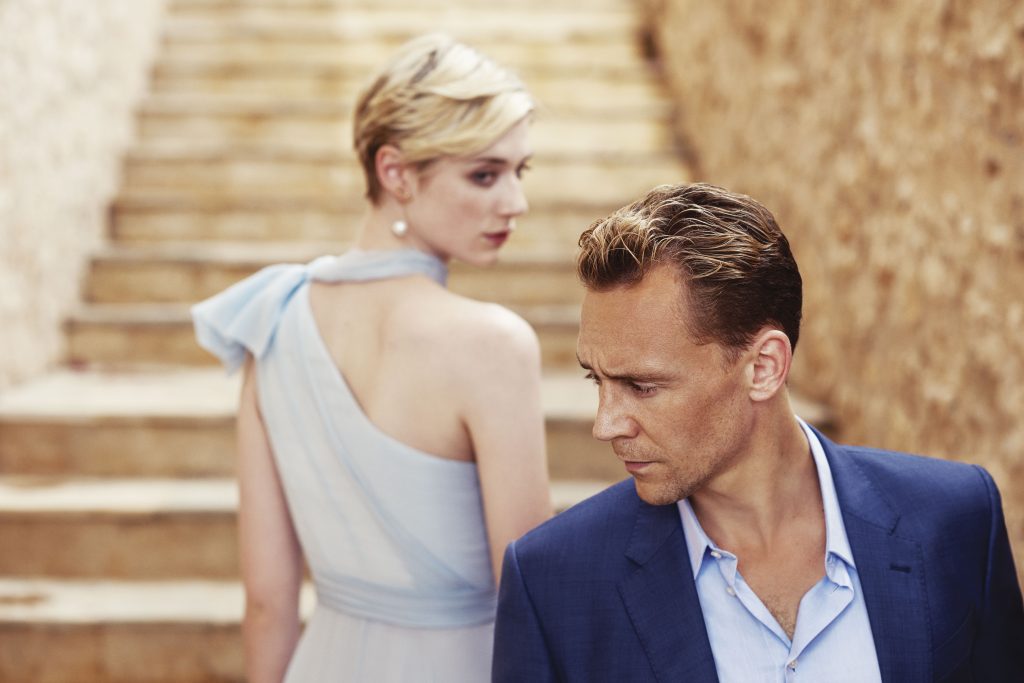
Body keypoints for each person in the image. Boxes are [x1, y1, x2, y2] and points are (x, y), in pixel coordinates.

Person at [492, 183, 1024, 682]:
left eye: (642, 385)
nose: (605, 424)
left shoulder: (956, 520)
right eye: (597, 379)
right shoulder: (552, 582)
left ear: (764, 367)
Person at [192, 34, 551, 682]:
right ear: (396, 173)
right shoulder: (494, 345)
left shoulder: (271, 318)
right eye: (485, 174)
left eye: (518, 172)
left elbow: (267, 603)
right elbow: (530, 603)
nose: (515, 202)